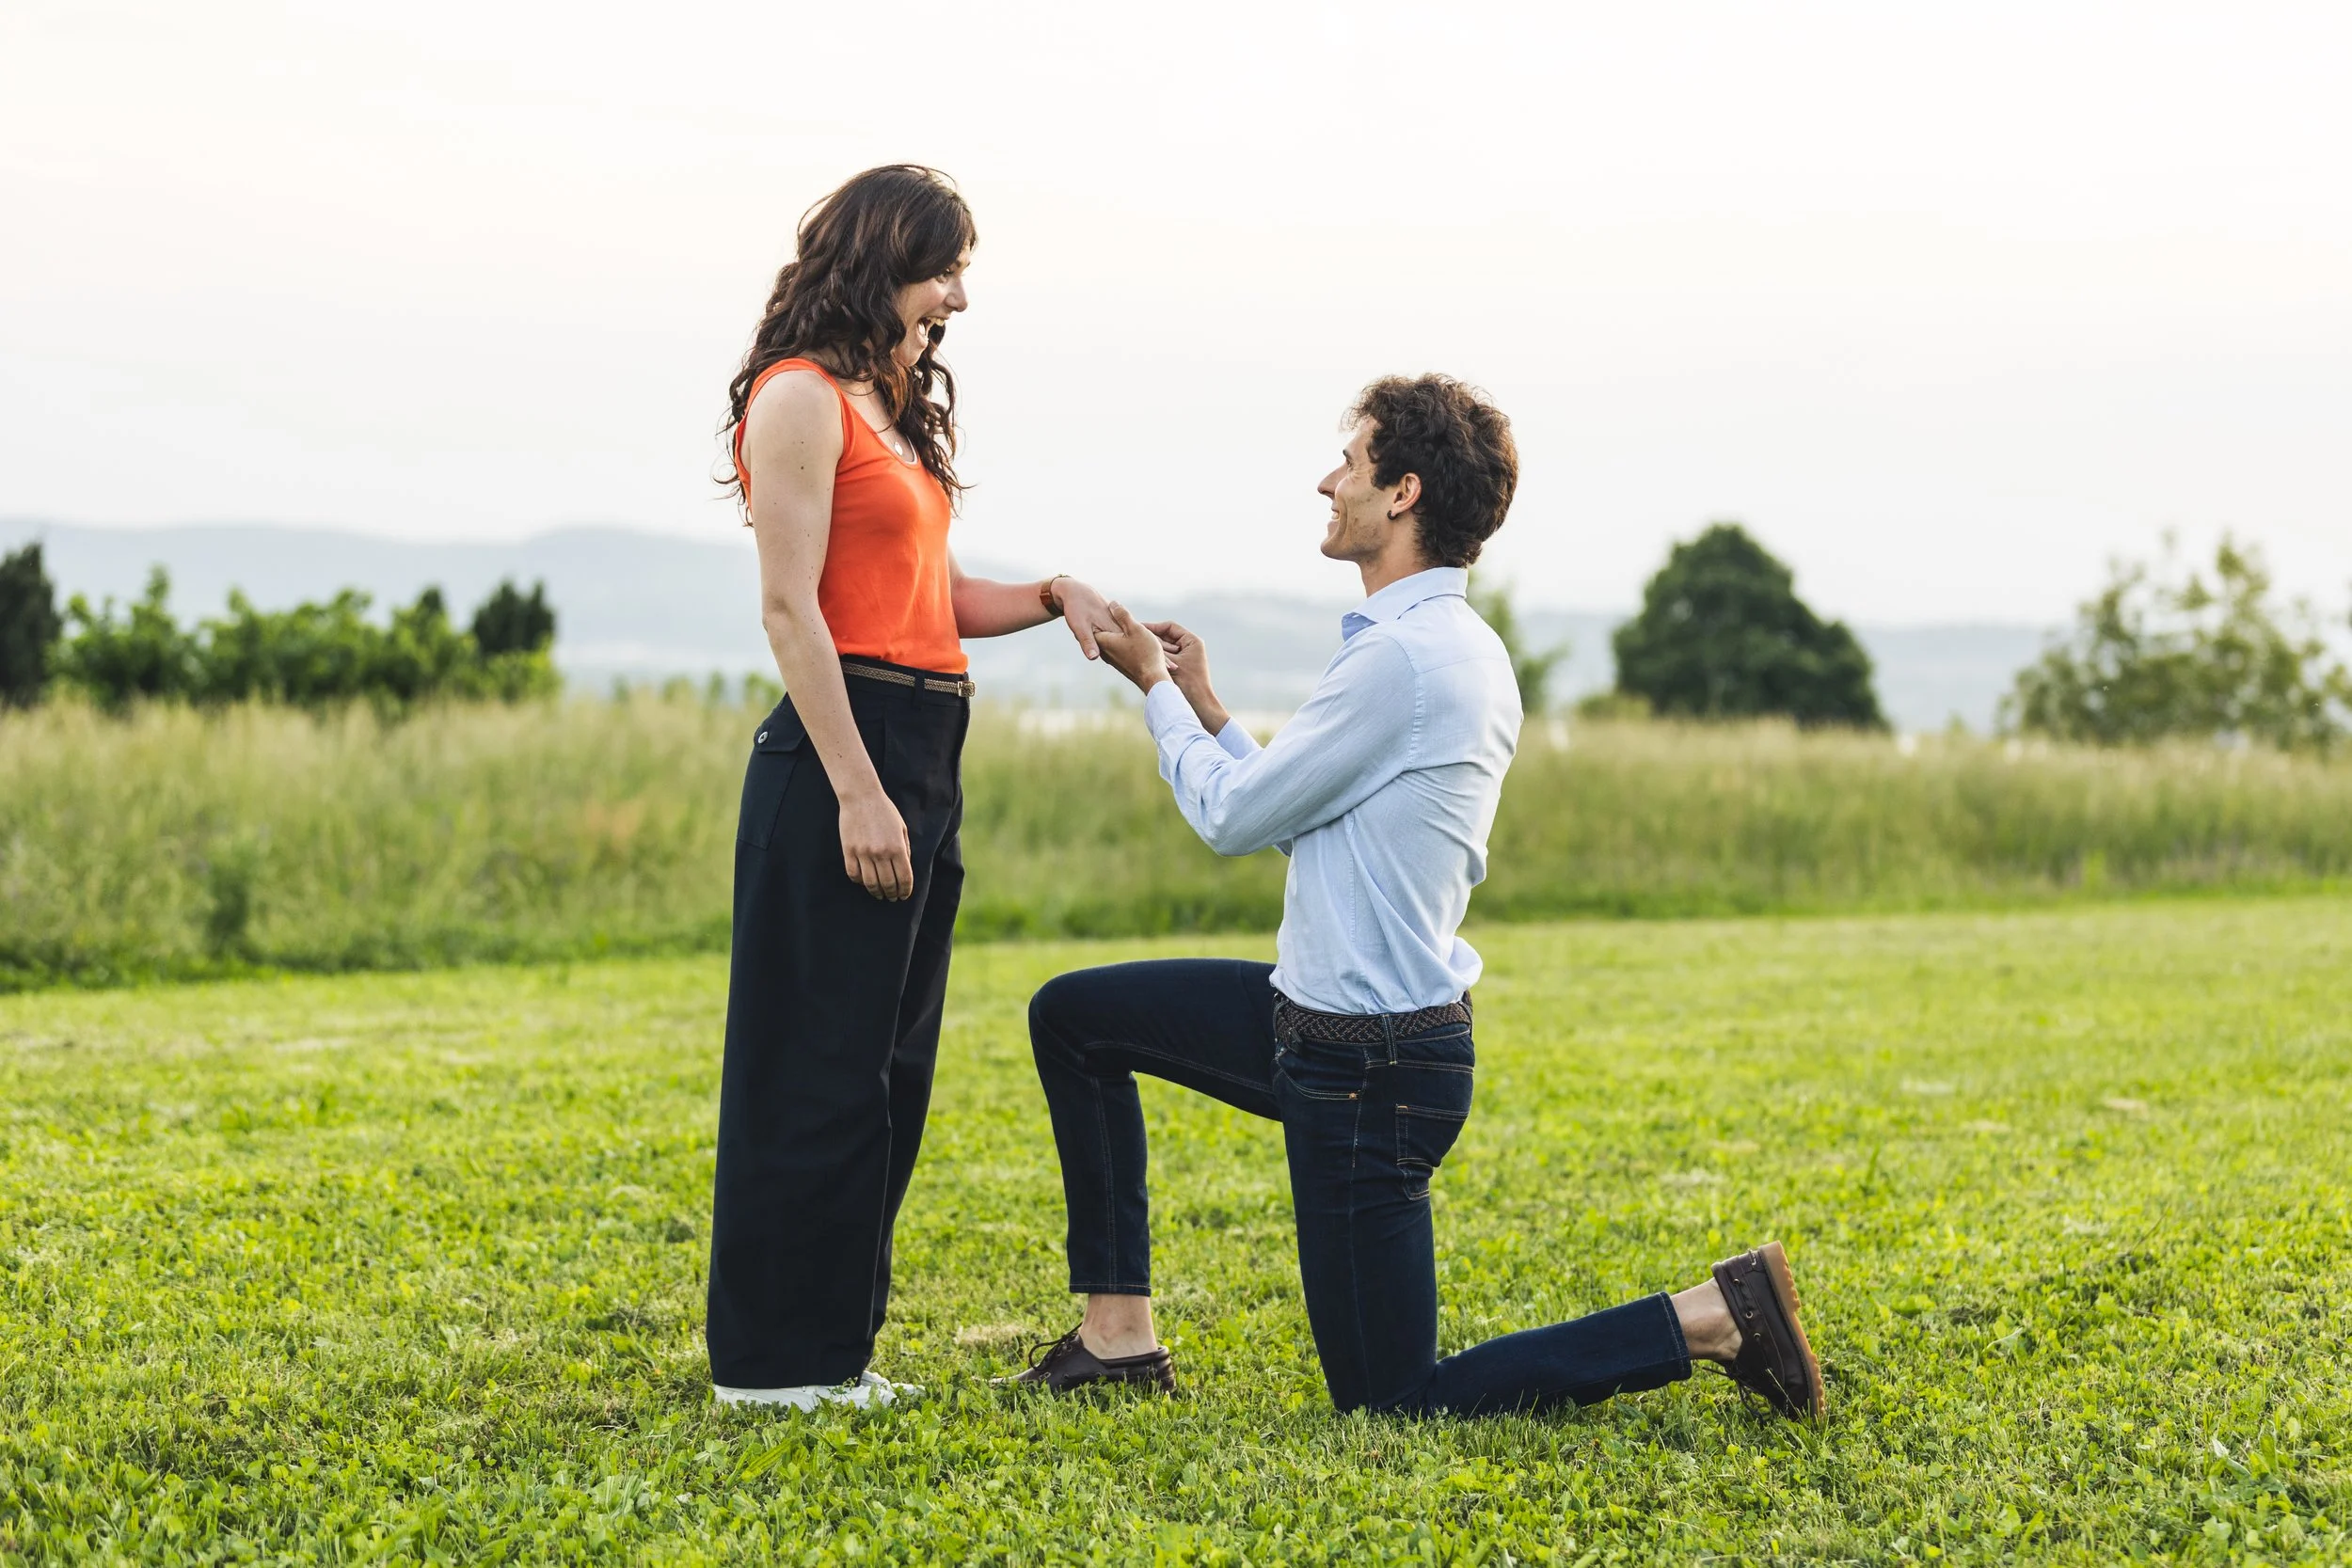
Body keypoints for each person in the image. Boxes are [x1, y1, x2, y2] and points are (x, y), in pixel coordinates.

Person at [1004, 374, 1825, 1420]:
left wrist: (1155, 691)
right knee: (1075, 1018)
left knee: (1393, 1399)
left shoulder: (1401, 660)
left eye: (1348, 462)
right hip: (1324, 1026)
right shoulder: (1447, 648)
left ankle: (1709, 1315)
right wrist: (1208, 709)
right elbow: (1299, 815)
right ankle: (1117, 1337)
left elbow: (1232, 819)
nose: (1326, 482)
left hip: (1366, 1069)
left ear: (1402, 492)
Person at [708, 165, 1117, 1409]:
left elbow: (927, 598)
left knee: (890, 1069)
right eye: (945, 271)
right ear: (880, 259)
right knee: (814, 1064)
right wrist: (857, 789)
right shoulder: (797, 396)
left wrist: (1049, 594)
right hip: (848, 748)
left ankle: (833, 1348)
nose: (958, 300)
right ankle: (774, 1366)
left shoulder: (886, 408)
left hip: (927, 744)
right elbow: (792, 610)